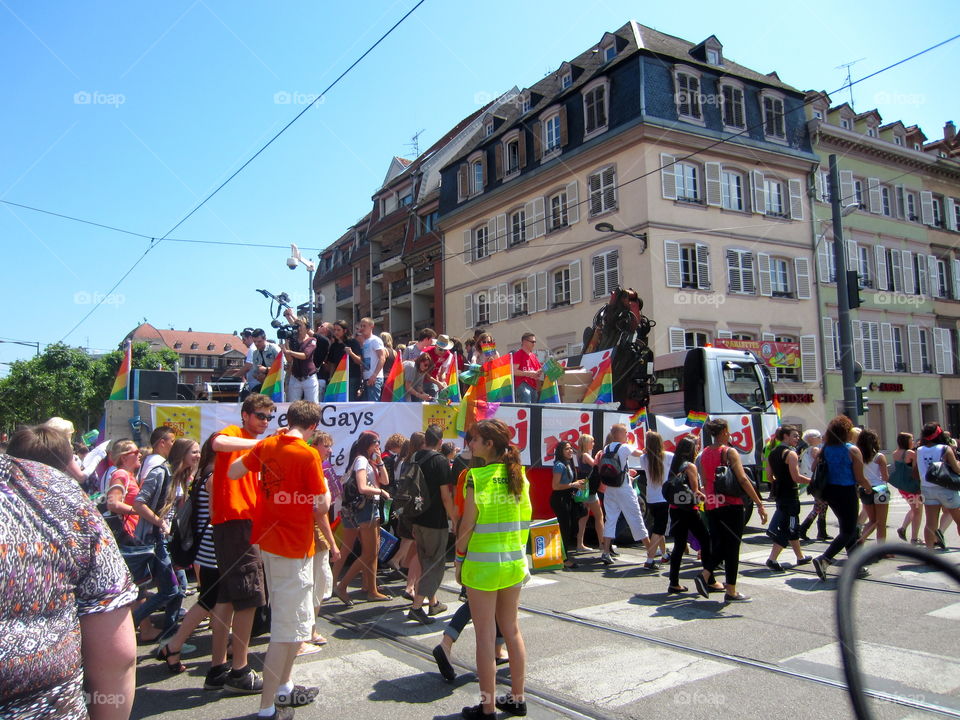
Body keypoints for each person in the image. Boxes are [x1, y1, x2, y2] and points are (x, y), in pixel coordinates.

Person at [0, 454, 138, 720]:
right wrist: (144, 514)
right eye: (134, 453)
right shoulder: (52, 493)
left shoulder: (51, 493)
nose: (139, 456)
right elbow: (116, 659)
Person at [229, 400, 329, 719]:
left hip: (270, 541)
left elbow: (234, 470)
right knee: (286, 631)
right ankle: (267, 707)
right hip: (292, 546)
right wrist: (323, 490)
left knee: (294, 625)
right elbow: (322, 505)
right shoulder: (307, 453)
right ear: (312, 428)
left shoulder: (270, 444)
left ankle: (284, 688)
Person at [455, 419, 532, 719]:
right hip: (513, 562)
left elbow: (467, 524)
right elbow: (525, 519)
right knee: (511, 631)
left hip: (483, 566)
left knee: (485, 638)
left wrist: (459, 559)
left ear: (489, 444)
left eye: (474, 439)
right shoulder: (520, 477)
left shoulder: (477, 476)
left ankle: (487, 707)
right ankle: (517, 698)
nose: (470, 444)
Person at [206, 394, 274, 694]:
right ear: (245, 415)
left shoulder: (253, 444)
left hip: (237, 521)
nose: (265, 422)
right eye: (261, 416)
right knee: (249, 595)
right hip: (237, 520)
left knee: (227, 597)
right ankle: (240, 670)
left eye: (269, 418)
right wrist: (261, 445)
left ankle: (218, 667)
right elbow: (217, 444)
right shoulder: (235, 434)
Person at [156, 437, 219, 673]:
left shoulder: (203, 473)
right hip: (213, 545)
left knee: (214, 598)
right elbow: (216, 514)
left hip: (207, 544)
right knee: (209, 599)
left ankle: (221, 644)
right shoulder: (212, 476)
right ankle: (173, 645)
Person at [697, 418, 769, 602]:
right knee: (732, 546)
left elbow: (705, 482)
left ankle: (711, 577)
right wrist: (759, 503)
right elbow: (743, 479)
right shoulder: (729, 452)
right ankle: (728, 589)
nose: (729, 434)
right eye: (727, 431)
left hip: (713, 504)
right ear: (723, 432)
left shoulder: (703, 454)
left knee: (720, 543)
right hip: (731, 503)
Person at [131, 426, 184, 642]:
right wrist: (160, 522)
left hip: (158, 536)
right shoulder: (158, 467)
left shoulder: (158, 465)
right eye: (172, 441)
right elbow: (139, 502)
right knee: (171, 590)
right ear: (162, 442)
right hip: (155, 537)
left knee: (176, 588)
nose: (174, 445)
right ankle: (130, 625)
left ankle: (170, 639)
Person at [812, 415, 874, 582]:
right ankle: (825, 558)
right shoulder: (852, 450)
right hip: (846, 491)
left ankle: (855, 566)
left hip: (829, 492)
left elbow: (813, 467)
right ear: (846, 432)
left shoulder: (825, 449)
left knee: (848, 528)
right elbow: (860, 477)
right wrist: (870, 489)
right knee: (849, 530)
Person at [333, 431, 391, 603]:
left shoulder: (369, 460)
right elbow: (362, 487)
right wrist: (380, 492)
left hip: (364, 508)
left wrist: (380, 462)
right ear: (368, 444)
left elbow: (386, 480)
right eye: (376, 442)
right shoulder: (362, 460)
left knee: (367, 551)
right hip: (366, 508)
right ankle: (342, 586)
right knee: (369, 552)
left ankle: (369, 587)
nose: (379, 446)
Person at [408, 425, 457, 624]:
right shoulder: (440, 461)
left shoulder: (413, 457)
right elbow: (446, 497)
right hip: (434, 521)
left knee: (425, 560)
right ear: (440, 441)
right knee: (435, 564)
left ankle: (433, 603)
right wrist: (455, 519)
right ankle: (416, 607)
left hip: (416, 518)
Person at [665, 436, 715, 594]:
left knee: (679, 545)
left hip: (675, 508)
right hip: (689, 509)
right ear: (691, 449)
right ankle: (709, 579)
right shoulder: (690, 466)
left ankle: (674, 583)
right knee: (706, 540)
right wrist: (708, 498)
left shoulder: (675, 464)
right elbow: (695, 491)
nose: (699, 447)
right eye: (697, 445)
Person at [305, 431, 341, 648]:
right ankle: (308, 631)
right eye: (326, 446)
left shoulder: (320, 468)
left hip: (314, 532)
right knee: (316, 583)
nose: (329, 450)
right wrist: (333, 543)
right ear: (315, 445)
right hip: (313, 534)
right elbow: (319, 511)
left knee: (316, 583)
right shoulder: (314, 470)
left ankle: (310, 629)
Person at [597, 424, 649, 565]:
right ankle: (650, 549)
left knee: (611, 519)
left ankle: (606, 552)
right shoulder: (624, 447)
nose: (627, 435)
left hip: (610, 488)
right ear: (618, 434)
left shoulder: (606, 448)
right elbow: (640, 454)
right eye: (625, 432)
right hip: (623, 487)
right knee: (635, 517)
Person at [764, 425, 813, 571]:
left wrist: (779, 482)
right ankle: (772, 559)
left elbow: (768, 477)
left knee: (792, 526)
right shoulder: (790, 454)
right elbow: (796, 477)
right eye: (795, 436)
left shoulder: (772, 453)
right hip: (790, 495)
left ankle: (800, 557)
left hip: (780, 493)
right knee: (788, 528)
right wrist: (813, 481)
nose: (798, 439)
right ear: (785, 436)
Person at [913, 422, 960, 550]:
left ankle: (929, 553)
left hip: (927, 488)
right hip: (945, 487)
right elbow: (956, 469)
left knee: (930, 523)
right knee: (958, 519)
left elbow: (915, 473)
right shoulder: (945, 448)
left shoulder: (919, 450)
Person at [637, 431, 673, 570]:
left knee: (659, 527)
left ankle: (664, 555)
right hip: (664, 497)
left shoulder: (643, 458)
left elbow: (644, 455)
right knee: (659, 529)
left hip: (651, 498)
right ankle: (650, 560)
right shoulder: (669, 456)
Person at [549, 440, 585, 570]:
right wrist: (573, 485)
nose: (570, 451)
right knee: (564, 528)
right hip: (560, 499)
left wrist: (577, 482)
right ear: (560, 452)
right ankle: (563, 559)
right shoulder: (559, 465)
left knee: (570, 527)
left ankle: (562, 555)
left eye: (570, 448)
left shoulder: (568, 463)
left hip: (568, 498)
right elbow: (555, 486)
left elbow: (568, 482)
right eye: (566, 449)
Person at [855, 428, 890, 550]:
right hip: (880, 489)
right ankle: (881, 549)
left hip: (864, 489)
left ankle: (860, 539)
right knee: (881, 523)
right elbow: (885, 477)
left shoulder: (858, 455)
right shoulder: (879, 457)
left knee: (872, 520)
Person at [797, 429, 831, 542]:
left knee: (822, 506)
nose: (821, 438)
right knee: (819, 507)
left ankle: (822, 532)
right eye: (818, 436)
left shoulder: (806, 450)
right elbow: (822, 462)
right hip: (818, 481)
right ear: (812, 439)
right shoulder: (816, 449)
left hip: (814, 481)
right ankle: (803, 529)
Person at [575, 434, 604, 552]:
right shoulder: (586, 455)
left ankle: (579, 544)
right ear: (586, 443)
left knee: (584, 517)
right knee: (599, 516)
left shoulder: (579, 454)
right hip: (589, 488)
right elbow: (596, 465)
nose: (593, 444)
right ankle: (603, 544)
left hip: (583, 487)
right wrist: (599, 455)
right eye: (592, 442)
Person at [891, 432, 922, 544]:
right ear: (907, 441)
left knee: (914, 508)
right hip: (912, 486)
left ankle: (903, 529)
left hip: (902, 486)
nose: (913, 442)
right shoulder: (910, 453)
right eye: (912, 440)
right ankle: (914, 538)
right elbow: (916, 469)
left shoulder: (895, 453)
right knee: (918, 511)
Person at [282, 315, 319, 403]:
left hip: (309, 377)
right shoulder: (293, 341)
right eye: (296, 326)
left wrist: (290, 352)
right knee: (293, 404)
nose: (298, 328)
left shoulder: (312, 340)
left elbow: (305, 355)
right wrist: (286, 347)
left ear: (307, 328)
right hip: (295, 377)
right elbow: (290, 360)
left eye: (300, 326)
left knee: (312, 404)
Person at [242, 329, 281, 396]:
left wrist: (266, 370)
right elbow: (255, 372)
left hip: (277, 384)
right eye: (254, 342)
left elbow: (283, 367)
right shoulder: (255, 353)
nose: (256, 344)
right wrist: (258, 377)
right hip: (264, 384)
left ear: (265, 338)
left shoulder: (274, 348)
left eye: (259, 341)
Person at [356, 317, 387, 401]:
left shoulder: (375, 340)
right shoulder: (363, 341)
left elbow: (382, 357)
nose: (362, 328)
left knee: (373, 404)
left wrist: (374, 375)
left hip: (374, 378)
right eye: (361, 326)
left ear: (371, 326)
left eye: (364, 326)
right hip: (366, 377)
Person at [511, 332, 541, 403]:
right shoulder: (518, 354)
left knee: (533, 409)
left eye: (535, 342)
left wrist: (544, 370)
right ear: (524, 342)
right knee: (526, 404)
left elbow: (538, 371)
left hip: (533, 386)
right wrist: (529, 373)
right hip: (523, 384)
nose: (534, 344)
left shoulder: (533, 356)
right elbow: (514, 371)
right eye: (532, 341)